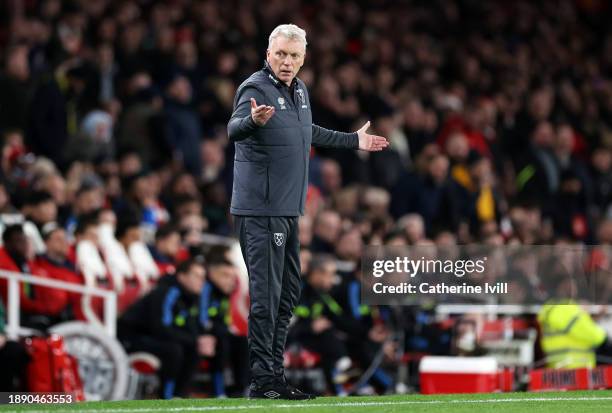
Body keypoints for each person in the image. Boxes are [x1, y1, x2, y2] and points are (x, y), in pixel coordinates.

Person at [227, 23, 388, 400]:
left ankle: (275, 376)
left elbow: (306, 130)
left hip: (288, 210)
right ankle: (263, 381)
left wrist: (353, 140)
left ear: (303, 59)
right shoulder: (254, 88)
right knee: (267, 297)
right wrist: (252, 121)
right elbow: (234, 128)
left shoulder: (299, 90)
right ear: (268, 53)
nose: (287, 62)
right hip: (260, 210)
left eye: (294, 56)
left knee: (287, 296)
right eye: (281, 54)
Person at [118, 256, 214, 399]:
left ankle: (180, 395)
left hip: (154, 336)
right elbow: (161, 327)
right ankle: (167, 396)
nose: (201, 281)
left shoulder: (191, 297)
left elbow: (190, 327)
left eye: (203, 277)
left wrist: (200, 340)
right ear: (182, 276)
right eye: (197, 276)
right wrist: (194, 340)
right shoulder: (168, 291)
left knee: (194, 348)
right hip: (131, 337)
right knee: (174, 350)